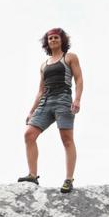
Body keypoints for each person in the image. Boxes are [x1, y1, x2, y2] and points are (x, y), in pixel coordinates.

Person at [17, 28, 83, 193]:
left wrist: (77, 99)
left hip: (63, 100)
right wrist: (32, 111)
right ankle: (32, 175)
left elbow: (79, 79)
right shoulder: (44, 65)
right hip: (46, 102)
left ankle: (68, 179)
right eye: (50, 38)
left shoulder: (69, 57)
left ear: (62, 40)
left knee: (67, 139)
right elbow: (41, 89)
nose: (53, 40)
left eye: (56, 37)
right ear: (47, 42)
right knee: (29, 135)